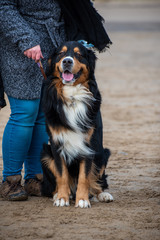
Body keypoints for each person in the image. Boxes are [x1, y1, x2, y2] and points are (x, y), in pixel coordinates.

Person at [0, 0, 111, 201]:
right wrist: (25, 38)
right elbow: (3, 6)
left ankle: (35, 178)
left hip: (57, 49)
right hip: (21, 47)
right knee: (25, 112)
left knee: (43, 117)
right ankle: (11, 180)